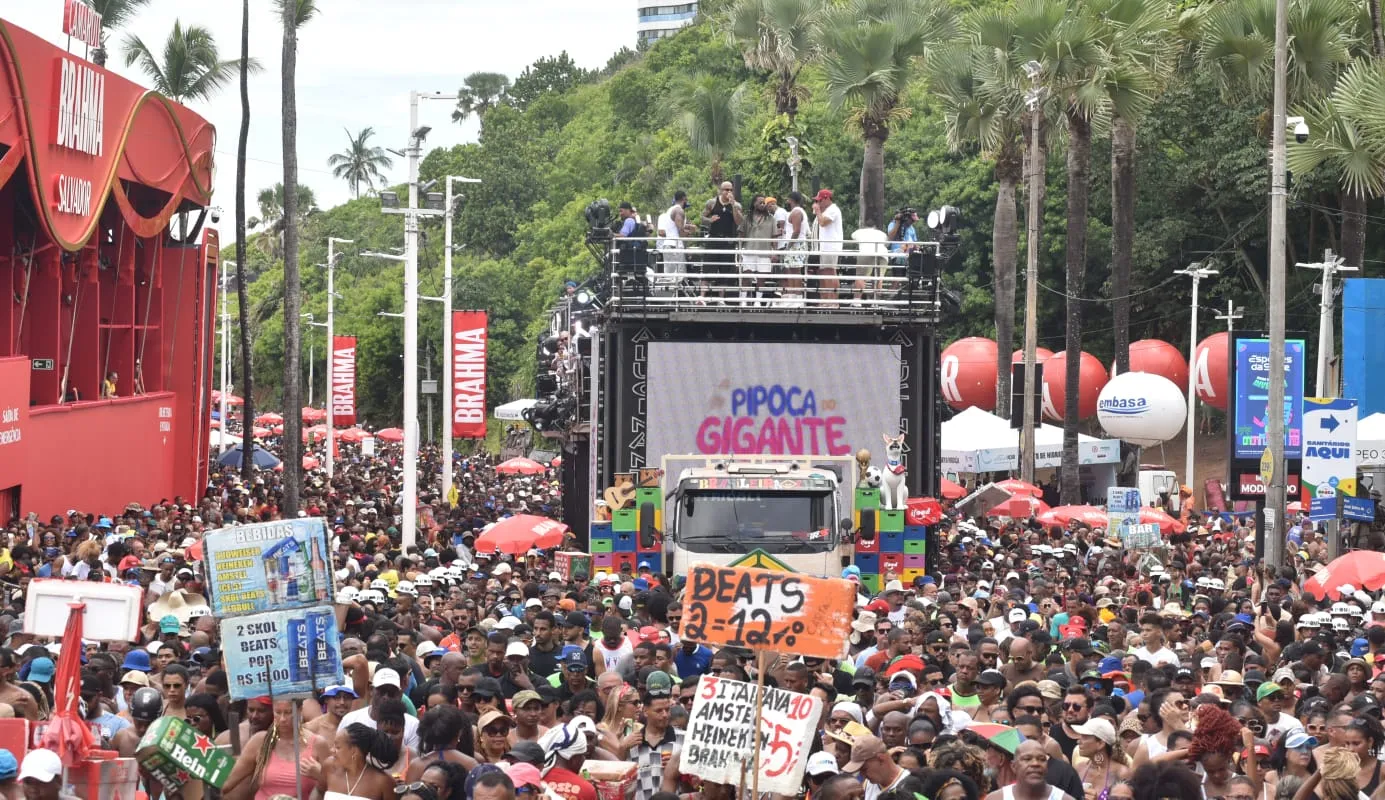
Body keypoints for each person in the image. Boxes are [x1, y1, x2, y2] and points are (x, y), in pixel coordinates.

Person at [222, 699, 331, 800]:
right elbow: (227, 783)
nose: (283, 719)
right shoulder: (260, 741)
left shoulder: (318, 744)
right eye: (278, 712)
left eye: (288, 712)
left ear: (299, 711)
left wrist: (319, 775)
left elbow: (337, 790)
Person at [318, 723, 399, 800]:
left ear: (354, 751)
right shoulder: (329, 767)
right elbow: (318, 792)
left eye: (338, 747)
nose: (332, 750)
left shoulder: (383, 782)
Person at [983, 740, 1075, 800]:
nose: (1035, 763)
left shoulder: (1063, 798)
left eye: (1041, 759)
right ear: (1014, 766)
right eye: (1027, 759)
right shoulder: (996, 798)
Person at [813, 189, 842, 301]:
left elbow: (823, 223)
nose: (818, 203)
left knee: (830, 272)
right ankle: (825, 299)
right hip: (824, 247)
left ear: (827, 199)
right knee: (824, 272)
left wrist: (818, 211)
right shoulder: (827, 210)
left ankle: (833, 300)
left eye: (820, 201)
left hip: (831, 246)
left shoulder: (833, 210)